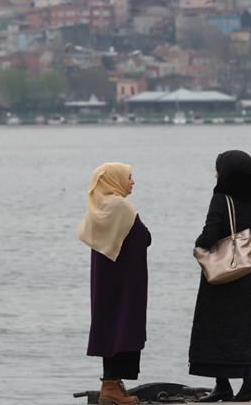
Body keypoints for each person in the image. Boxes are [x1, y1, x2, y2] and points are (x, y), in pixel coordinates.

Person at [189, 150, 251, 402]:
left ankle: (222, 384)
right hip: (245, 268)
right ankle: (248, 377)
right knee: (242, 325)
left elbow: (210, 232)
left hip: (221, 270)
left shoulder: (221, 198)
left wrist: (198, 246)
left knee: (215, 325)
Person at [78, 162, 151, 405]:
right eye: (129, 177)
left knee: (110, 325)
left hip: (104, 279)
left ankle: (111, 383)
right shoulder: (120, 206)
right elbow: (144, 237)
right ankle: (112, 387)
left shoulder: (97, 206)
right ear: (114, 180)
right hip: (126, 279)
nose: (132, 181)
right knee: (126, 325)